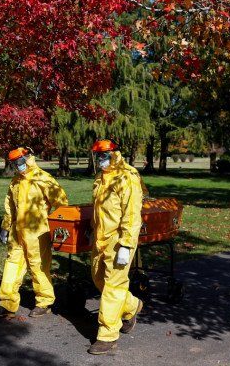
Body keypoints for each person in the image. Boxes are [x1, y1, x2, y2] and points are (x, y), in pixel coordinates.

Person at [0, 147, 68, 319]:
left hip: (38, 233)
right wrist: (5, 226)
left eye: (20, 161)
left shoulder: (44, 179)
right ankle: (7, 303)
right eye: (14, 163)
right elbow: (10, 207)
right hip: (17, 233)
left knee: (38, 267)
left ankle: (44, 302)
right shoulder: (16, 182)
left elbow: (62, 204)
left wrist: (57, 228)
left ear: (28, 158)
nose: (18, 166)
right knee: (12, 265)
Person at [87, 139, 145, 355]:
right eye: (98, 156)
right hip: (101, 239)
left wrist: (126, 246)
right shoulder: (101, 178)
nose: (100, 159)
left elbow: (132, 215)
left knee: (113, 286)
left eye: (104, 155)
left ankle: (107, 335)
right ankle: (131, 306)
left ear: (115, 153)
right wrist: (92, 230)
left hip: (120, 241)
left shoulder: (127, 178)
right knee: (98, 278)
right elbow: (99, 210)